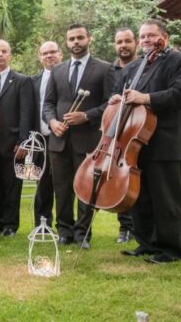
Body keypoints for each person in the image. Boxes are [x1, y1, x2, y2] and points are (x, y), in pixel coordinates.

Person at [113, 19, 181, 264]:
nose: (146, 40)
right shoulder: (135, 67)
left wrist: (145, 97)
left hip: (168, 143)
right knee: (142, 198)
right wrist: (117, 100)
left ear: (164, 37)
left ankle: (170, 250)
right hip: (138, 142)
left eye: (151, 35)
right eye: (142, 36)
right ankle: (147, 243)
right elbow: (128, 97)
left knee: (167, 200)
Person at [43, 24, 112, 249]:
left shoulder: (104, 68)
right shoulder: (57, 70)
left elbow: (110, 104)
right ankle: (64, 231)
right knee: (62, 189)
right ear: (67, 42)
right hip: (59, 141)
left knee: (86, 188)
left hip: (88, 140)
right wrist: (52, 122)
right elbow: (48, 104)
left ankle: (83, 233)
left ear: (88, 39)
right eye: (71, 38)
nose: (76, 42)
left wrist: (87, 116)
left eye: (80, 37)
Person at [0, 39, 33, 237]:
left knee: (12, 185)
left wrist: (23, 141)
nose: (0, 55)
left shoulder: (22, 81)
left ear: (10, 55)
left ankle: (10, 225)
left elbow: (26, 113)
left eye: (4, 51)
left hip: (13, 143)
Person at [110, 28, 137, 243]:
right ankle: (125, 227)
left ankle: (144, 229)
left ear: (135, 43)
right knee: (122, 181)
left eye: (127, 41)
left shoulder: (145, 67)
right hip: (116, 133)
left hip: (139, 129)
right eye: (119, 42)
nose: (123, 45)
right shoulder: (110, 71)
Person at [31, 41, 62, 227]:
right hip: (40, 139)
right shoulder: (33, 81)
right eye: (44, 53)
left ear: (60, 54)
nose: (49, 56)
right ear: (40, 57)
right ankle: (42, 225)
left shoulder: (68, 76)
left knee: (63, 183)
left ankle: (66, 226)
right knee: (42, 183)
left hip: (63, 136)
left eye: (52, 52)